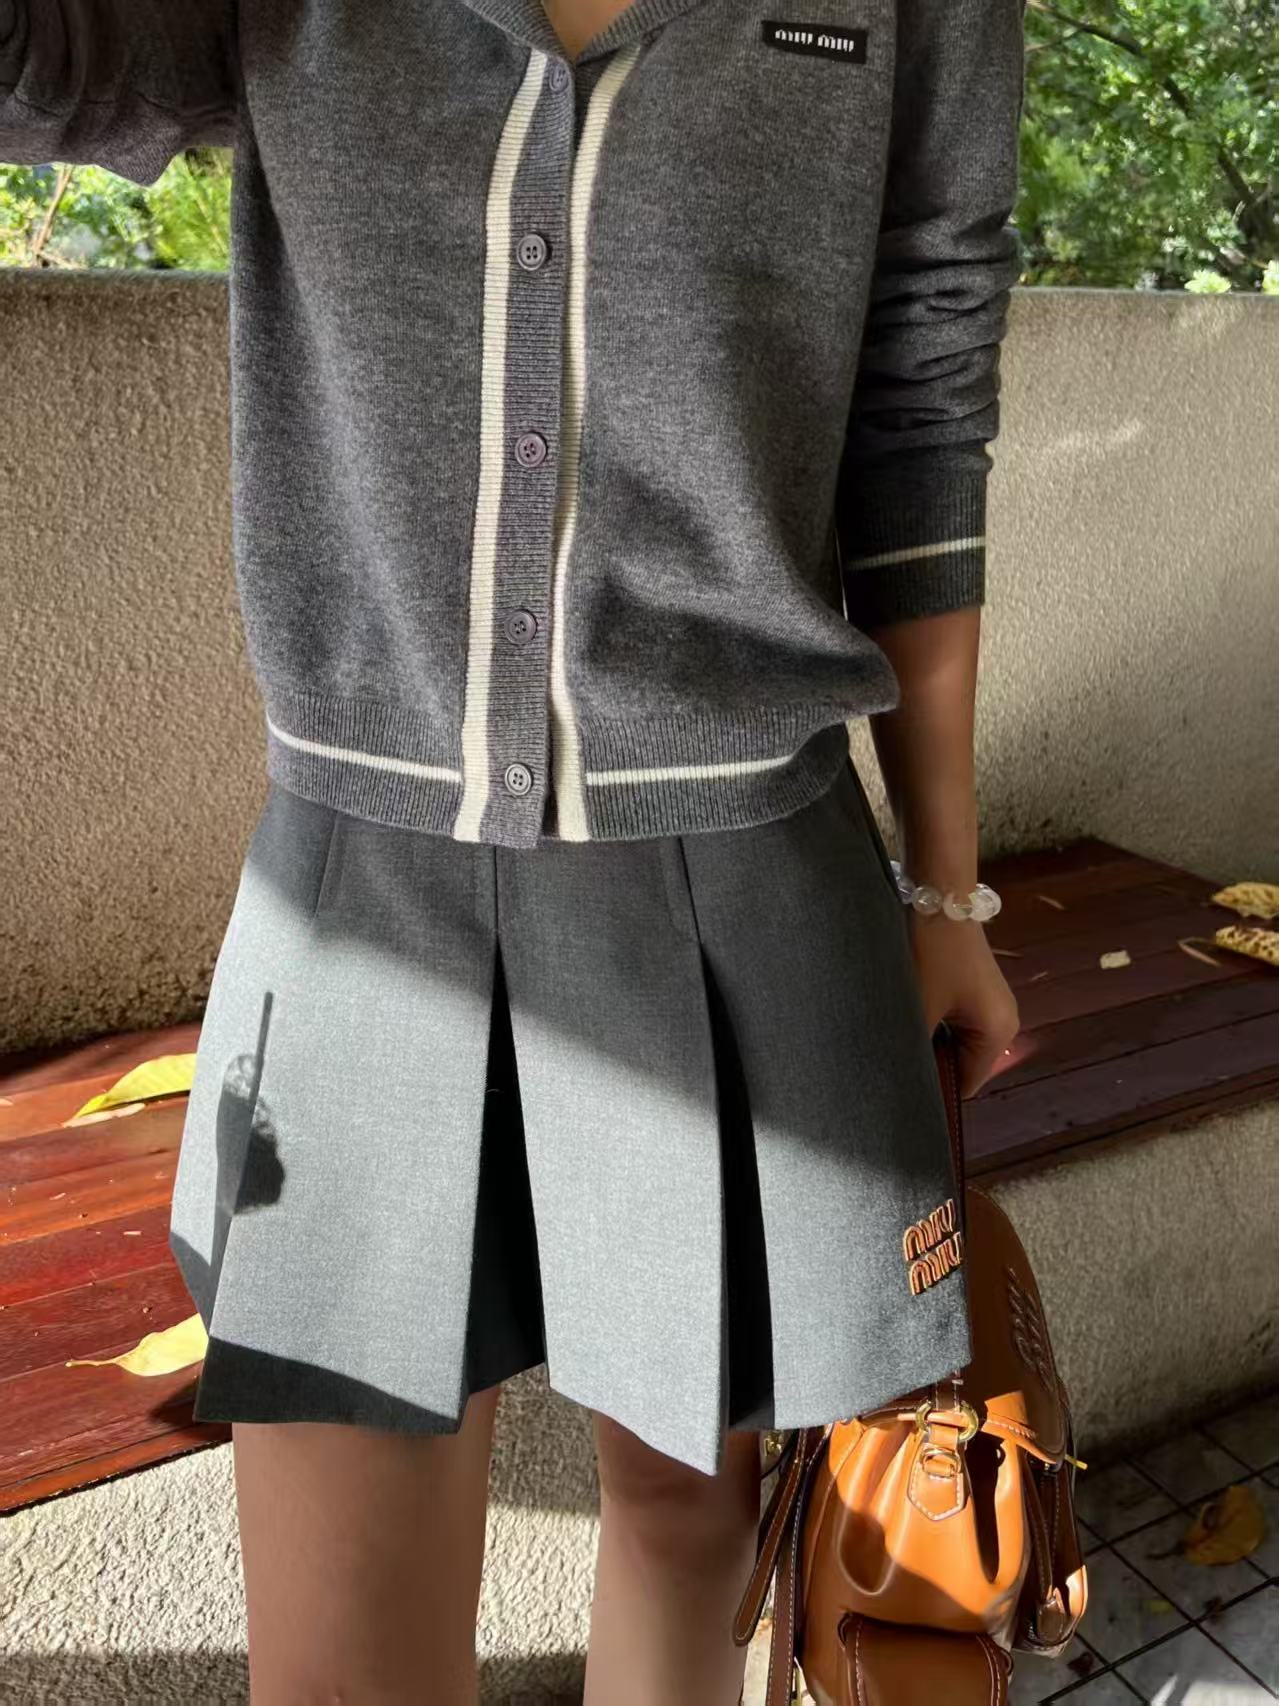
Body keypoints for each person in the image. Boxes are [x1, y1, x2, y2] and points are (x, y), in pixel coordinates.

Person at [2, 0, 1026, 1699]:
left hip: (747, 882)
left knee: (691, 1535)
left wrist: (945, 881)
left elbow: (923, 380)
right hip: (363, 894)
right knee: (340, 1667)